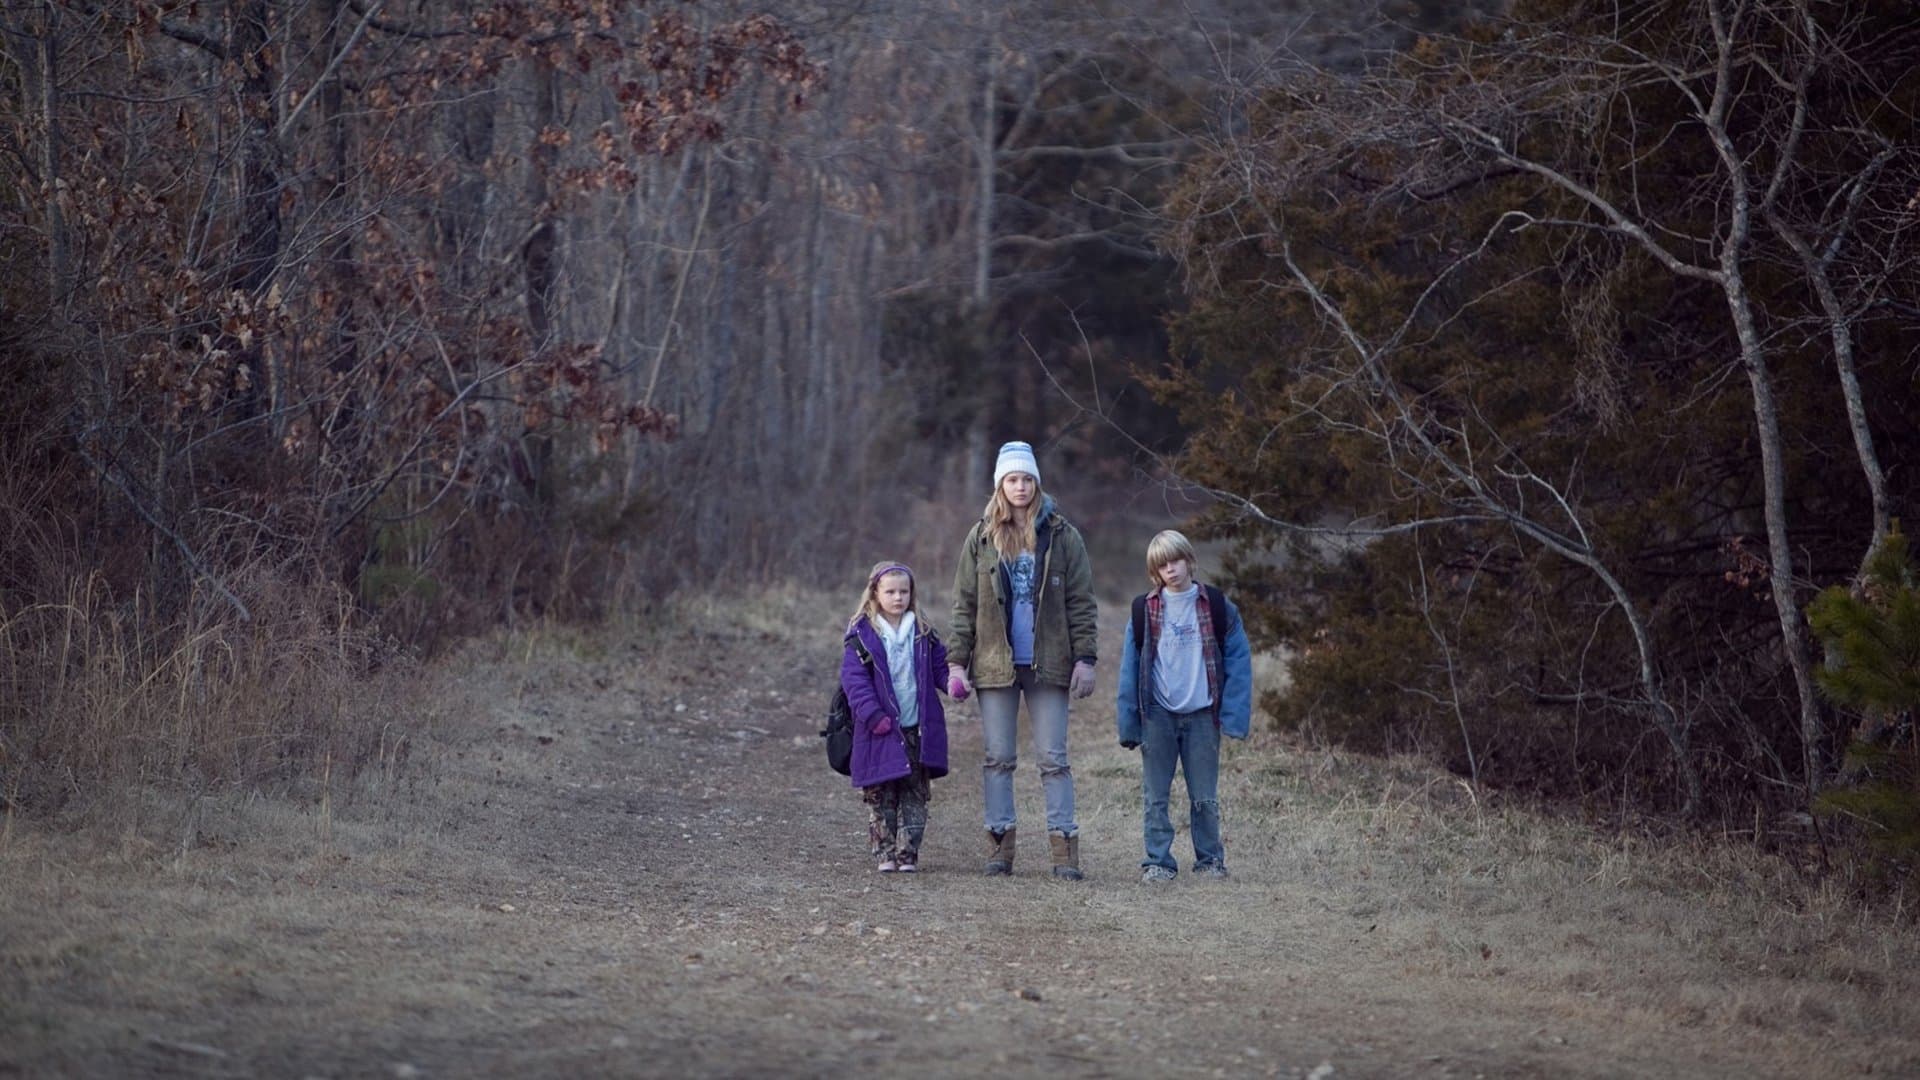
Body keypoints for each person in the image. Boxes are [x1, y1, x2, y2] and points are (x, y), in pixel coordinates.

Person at [948, 441, 1098, 880]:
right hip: (995, 664)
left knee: (1053, 758)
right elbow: (964, 604)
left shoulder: (1063, 535)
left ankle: (1064, 850)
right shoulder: (980, 538)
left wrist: (1085, 659)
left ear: (1036, 483)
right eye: (1011, 479)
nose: (1019, 487)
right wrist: (957, 663)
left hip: (1049, 661)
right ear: (1000, 485)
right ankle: (999, 847)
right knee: (998, 757)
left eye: (1026, 479)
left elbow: (1082, 601)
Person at [1115, 530, 1253, 882]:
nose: (1170, 569)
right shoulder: (1143, 610)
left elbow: (1239, 660)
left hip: (1203, 714)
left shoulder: (1218, 605)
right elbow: (1129, 670)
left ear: (1189, 560)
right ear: (1154, 572)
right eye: (1162, 565)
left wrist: (1233, 716)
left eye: (1175, 560)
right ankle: (1158, 862)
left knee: (1205, 796)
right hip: (1158, 714)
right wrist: (1129, 723)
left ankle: (1209, 860)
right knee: (1155, 795)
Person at [841, 562, 951, 873]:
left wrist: (953, 683)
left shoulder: (923, 633)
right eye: (890, 591)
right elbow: (854, 682)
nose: (898, 597)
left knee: (915, 794)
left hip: (917, 728)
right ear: (875, 593)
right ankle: (885, 853)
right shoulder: (862, 636)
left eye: (904, 591)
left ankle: (908, 854)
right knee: (881, 795)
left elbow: (940, 669)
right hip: (878, 730)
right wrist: (873, 715)